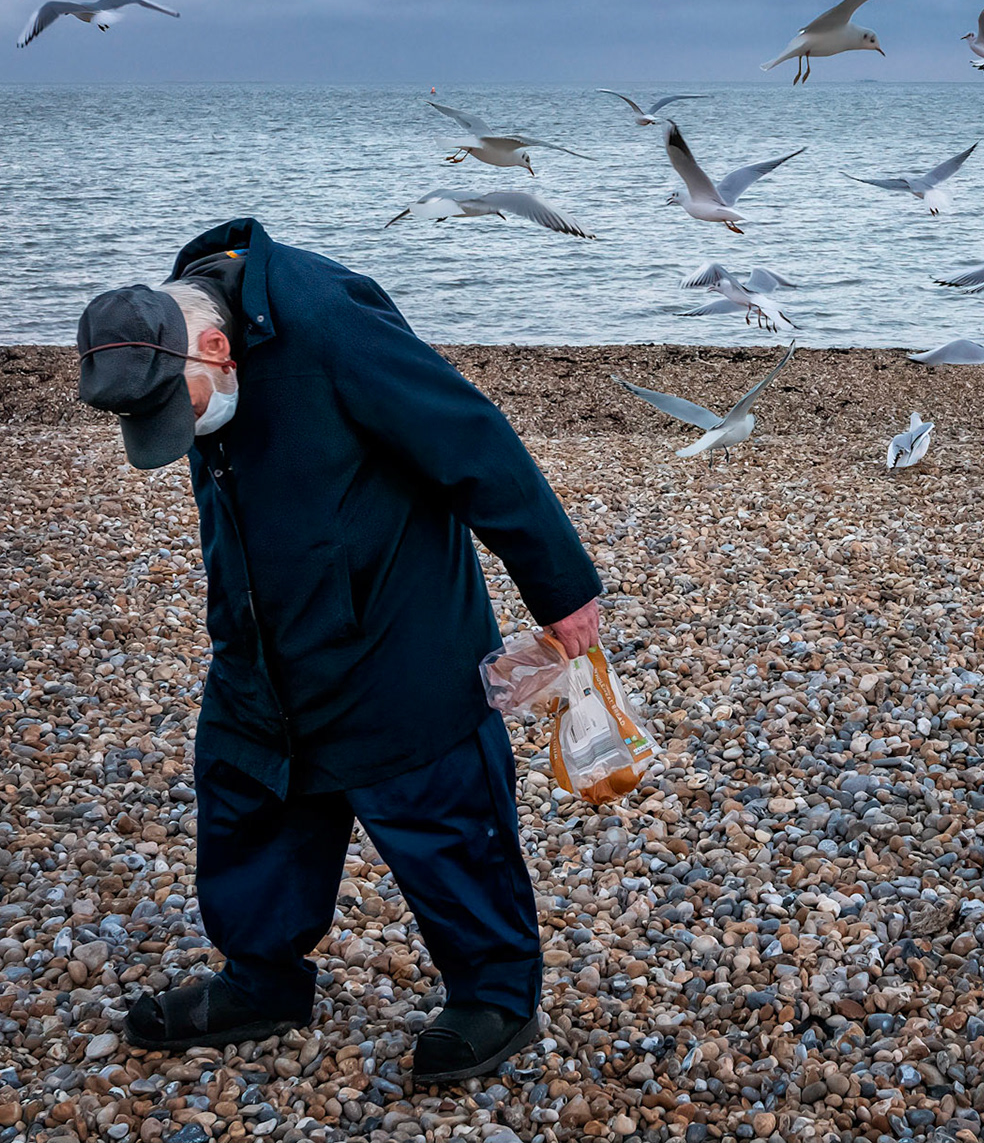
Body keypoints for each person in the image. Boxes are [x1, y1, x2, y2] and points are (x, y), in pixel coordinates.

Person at [74, 217, 602, 1082]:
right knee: (250, 793)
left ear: (215, 345)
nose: (184, 430)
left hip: (394, 627)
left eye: (183, 408)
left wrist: (562, 588)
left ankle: (496, 993)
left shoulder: (328, 321)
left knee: (437, 802)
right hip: (260, 628)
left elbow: (471, 436)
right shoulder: (184, 334)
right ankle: (263, 980)